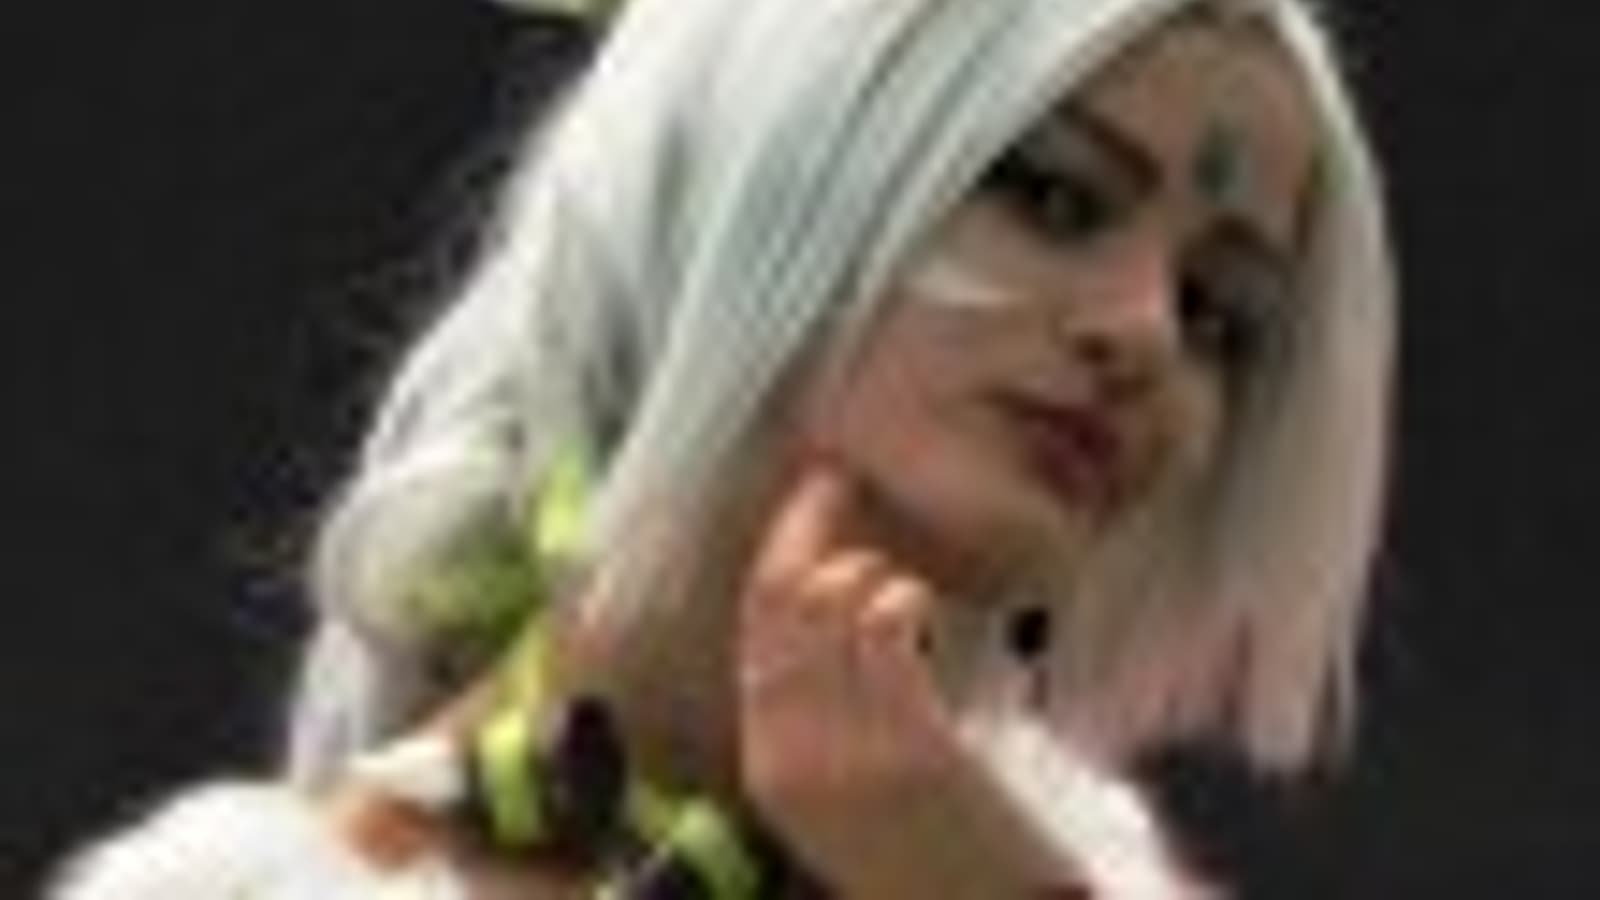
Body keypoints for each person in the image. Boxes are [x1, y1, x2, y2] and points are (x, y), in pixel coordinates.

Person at [51, 0, 1395, 895]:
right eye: (1055, 195)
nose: (1148, 332)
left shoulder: (1045, 857)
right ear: (763, 171)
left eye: (1225, 315)